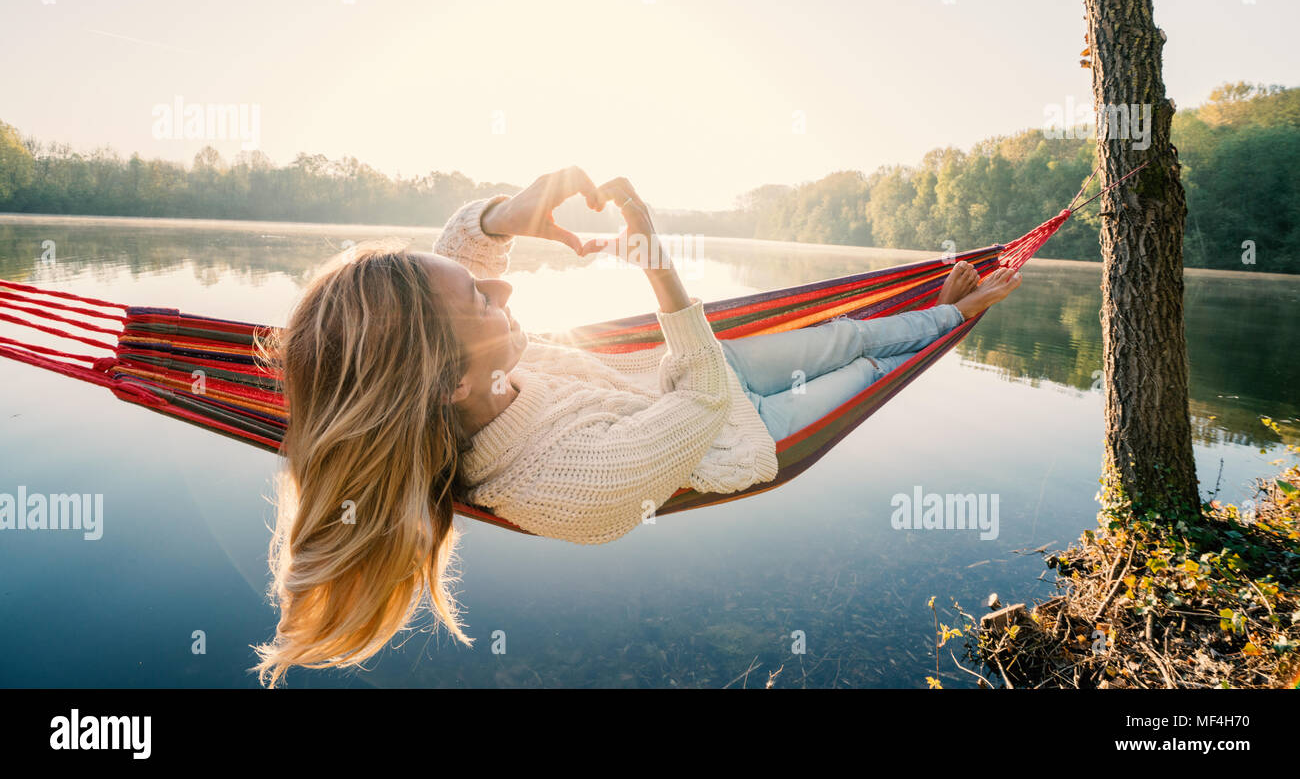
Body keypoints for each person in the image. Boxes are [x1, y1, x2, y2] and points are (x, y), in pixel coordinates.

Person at [252, 166, 1021, 686]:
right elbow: (705, 405)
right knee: (866, 373)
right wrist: (654, 257)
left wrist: (505, 214)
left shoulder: (454, 374)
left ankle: (941, 308)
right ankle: (959, 314)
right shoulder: (562, 486)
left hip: (684, 362)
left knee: (850, 334)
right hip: (739, 431)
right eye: (483, 299)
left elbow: (460, 252)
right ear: (453, 376)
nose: (504, 284)